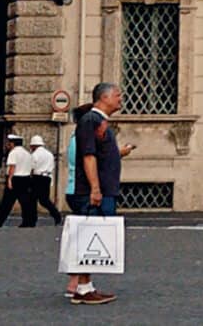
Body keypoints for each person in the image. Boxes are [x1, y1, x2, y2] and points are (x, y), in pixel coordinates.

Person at [66, 83, 133, 306]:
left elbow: (101, 155)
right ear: (104, 97)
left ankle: (84, 285)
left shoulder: (99, 122)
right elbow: (89, 156)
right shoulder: (90, 121)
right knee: (89, 237)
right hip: (93, 192)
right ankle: (83, 288)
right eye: (117, 95)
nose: (121, 99)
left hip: (102, 190)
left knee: (92, 237)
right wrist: (95, 188)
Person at [0, 132, 33, 227]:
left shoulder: (13, 153)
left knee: (7, 202)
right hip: (25, 178)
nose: (7, 145)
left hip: (15, 178)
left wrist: (9, 179)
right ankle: (28, 221)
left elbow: (12, 166)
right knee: (25, 202)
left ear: (13, 143)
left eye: (9, 143)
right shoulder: (27, 153)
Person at [26, 134, 64, 225]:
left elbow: (31, 168)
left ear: (33, 145)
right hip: (47, 177)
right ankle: (56, 215)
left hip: (37, 177)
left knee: (32, 199)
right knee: (44, 200)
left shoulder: (34, 155)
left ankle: (32, 220)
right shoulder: (49, 154)